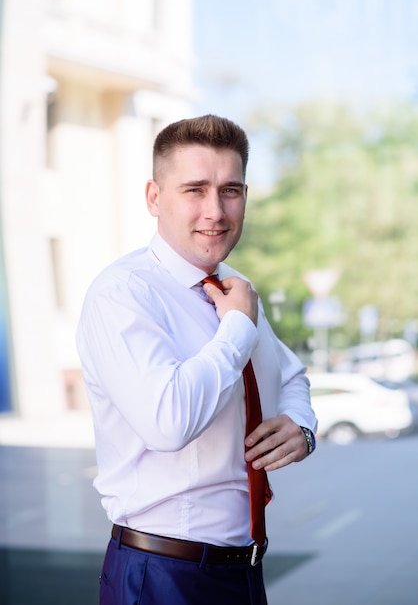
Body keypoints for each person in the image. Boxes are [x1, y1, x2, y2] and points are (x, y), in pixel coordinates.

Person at [76, 114, 317, 605]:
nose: (216, 210)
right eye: (195, 189)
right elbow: (168, 422)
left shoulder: (235, 290)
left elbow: (290, 375)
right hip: (162, 573)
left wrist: (301, 425)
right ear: (154, 197)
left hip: (242, 571)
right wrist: (235, 329)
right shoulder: (122, 294)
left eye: (231, 190)